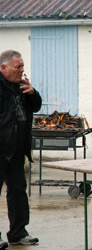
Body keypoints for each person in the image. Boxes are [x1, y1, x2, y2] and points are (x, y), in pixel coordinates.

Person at [0, 50, 42, 248]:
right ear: (3, 68)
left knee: (18, 191)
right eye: (18, 67)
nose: (22, 70)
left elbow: (35, 107)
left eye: (22, 66)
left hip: (16, 150)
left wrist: (33, 93)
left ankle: (18, 233)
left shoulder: (22, 86)